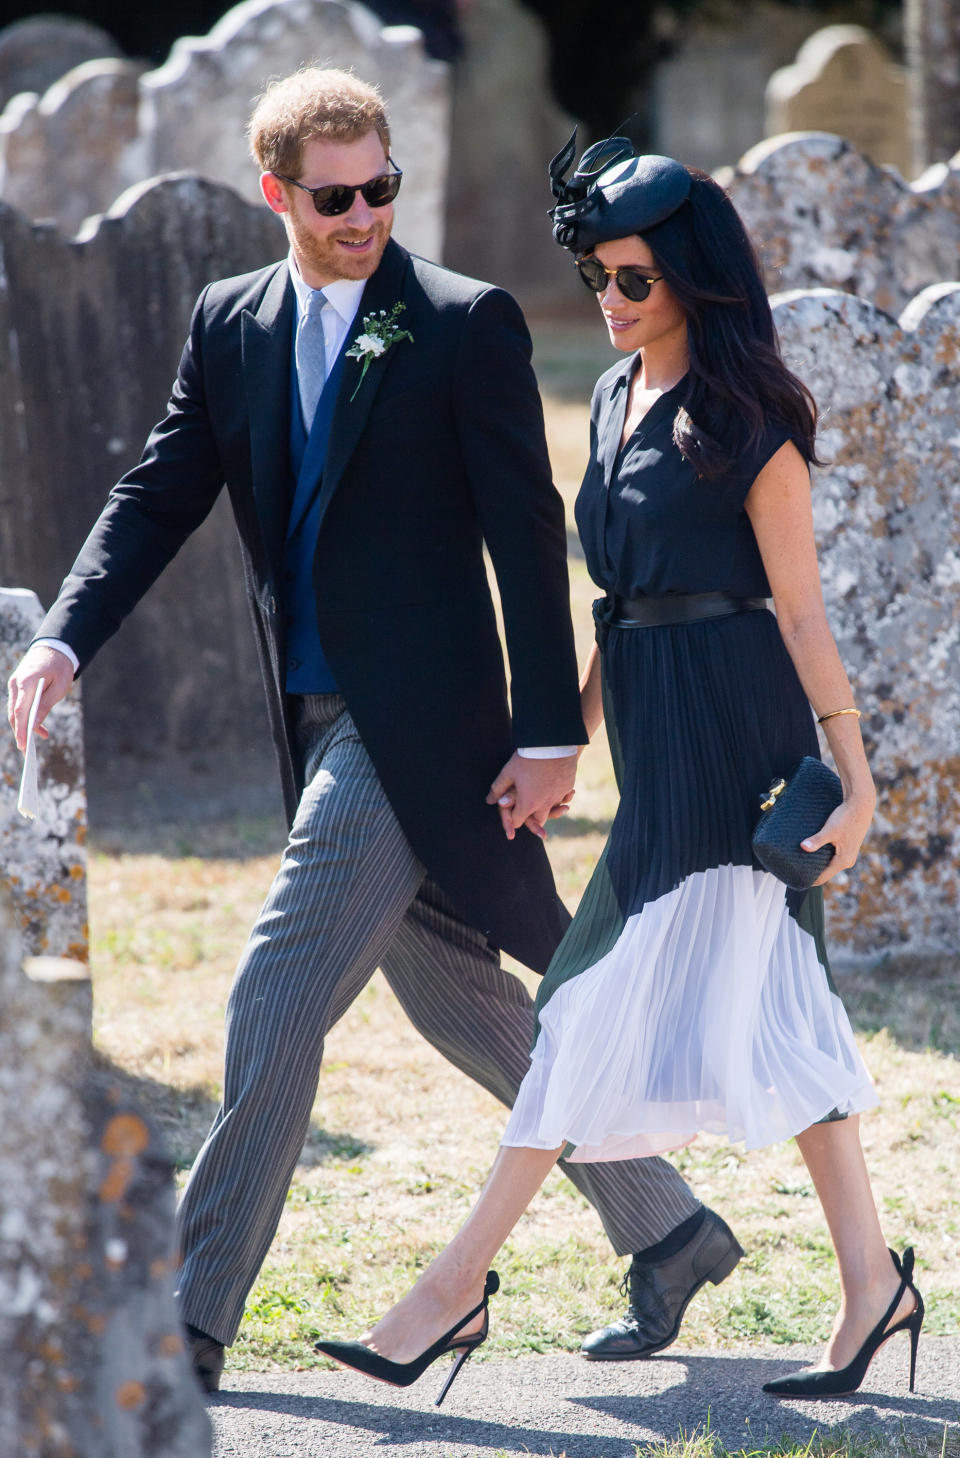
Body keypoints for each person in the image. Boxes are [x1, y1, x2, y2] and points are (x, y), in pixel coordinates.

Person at [5, 76, 741, 1392]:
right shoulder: (230, 321)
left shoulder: (463, 323)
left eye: (381, 188)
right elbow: (161, 486)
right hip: (316, 719)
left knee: (274, 996)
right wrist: (66, 633)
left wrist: (548, 733)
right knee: (466, 1005)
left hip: (422, 730)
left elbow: (528, 534)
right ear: (280, 193)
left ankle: (189, 1314)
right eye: (336, 196)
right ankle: (672, 1227)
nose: (364, 215)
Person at [314, 138, 924, 1405]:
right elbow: (622, 602)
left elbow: (803, 617)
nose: (609, 298)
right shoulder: (610, 395)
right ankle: (876, 1286)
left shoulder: (755, 421)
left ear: (693, 278)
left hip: (740, 734)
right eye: (596, 274)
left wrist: (856, 779)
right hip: (654, 729)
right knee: (788, 1009)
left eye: (633, 278)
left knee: (585, 1002)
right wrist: (567, 738)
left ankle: (453, 1287)